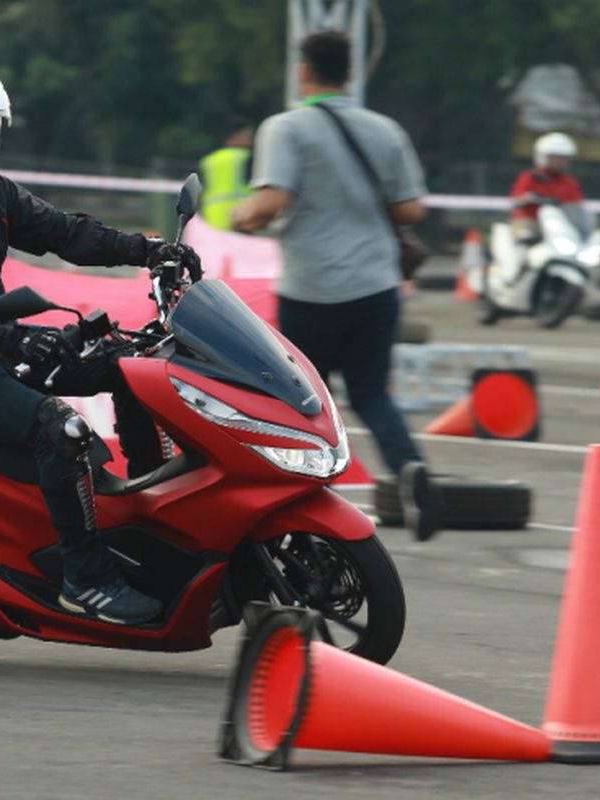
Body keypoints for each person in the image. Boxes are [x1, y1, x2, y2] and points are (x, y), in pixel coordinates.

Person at [0, 52, 202, 625]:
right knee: (60, 427)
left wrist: (147, 251)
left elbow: (63, 232)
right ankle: (85, 578)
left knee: (136, 367)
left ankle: (150, 519)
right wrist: (16, 343)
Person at [230, 29, 441, 542]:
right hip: (376, 286)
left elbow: (271, 202)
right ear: (352, 72)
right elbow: (412, 209)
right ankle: (409, 467)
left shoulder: (286, 128)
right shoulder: (384, 129)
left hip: (312, 289)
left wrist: (241, 216)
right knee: (371, 393)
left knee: (301, 404)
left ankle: (304, 502)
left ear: (303, 71)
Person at [509, 132, 583, 244]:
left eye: (563, 158)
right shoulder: (530, 177)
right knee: (524, 235)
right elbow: (517, 199)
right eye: (556, 158)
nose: (560, 162)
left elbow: (575, 205)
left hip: (560, 223)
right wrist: (531, 198)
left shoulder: (569, 182)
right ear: (543, 157)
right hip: (531, 220)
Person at [198, 117, 254, 230]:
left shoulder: (208, 161)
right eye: (248, 135)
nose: (251, 140)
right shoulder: (247, 157)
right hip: (239, 220)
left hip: (211, 221)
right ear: (237, 136)